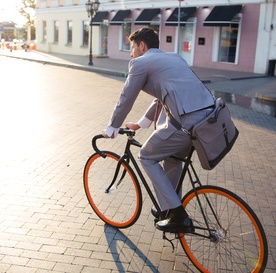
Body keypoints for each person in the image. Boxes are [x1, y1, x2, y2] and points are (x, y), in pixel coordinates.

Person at [103, 27, 214, 233]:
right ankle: (169, 209)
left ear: (142, 46)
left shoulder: (140, 62)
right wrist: (140, 124)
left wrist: (113, 127)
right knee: (172, 159)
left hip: (186, 124)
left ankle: (177, 213)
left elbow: (126, 97)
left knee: (146, 156)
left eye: (132, 48)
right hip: (207, 120)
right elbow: (162, 97)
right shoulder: (175, 58)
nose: (131, 53)